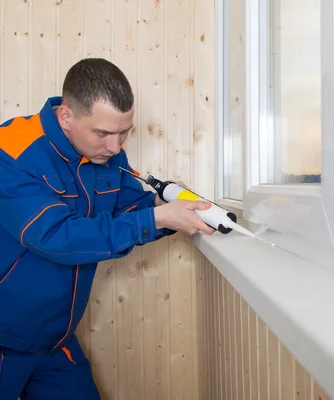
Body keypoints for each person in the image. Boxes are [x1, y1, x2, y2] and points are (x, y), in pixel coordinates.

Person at [0, 58, 215, 399]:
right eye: (103, 133)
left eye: (124, 131)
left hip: (54, 339)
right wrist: (157, 219)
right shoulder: (11, 151)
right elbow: (56, 236)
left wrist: (162, 207)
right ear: (66, 116)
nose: (116, 147)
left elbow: (128, 210)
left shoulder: (106, 154)